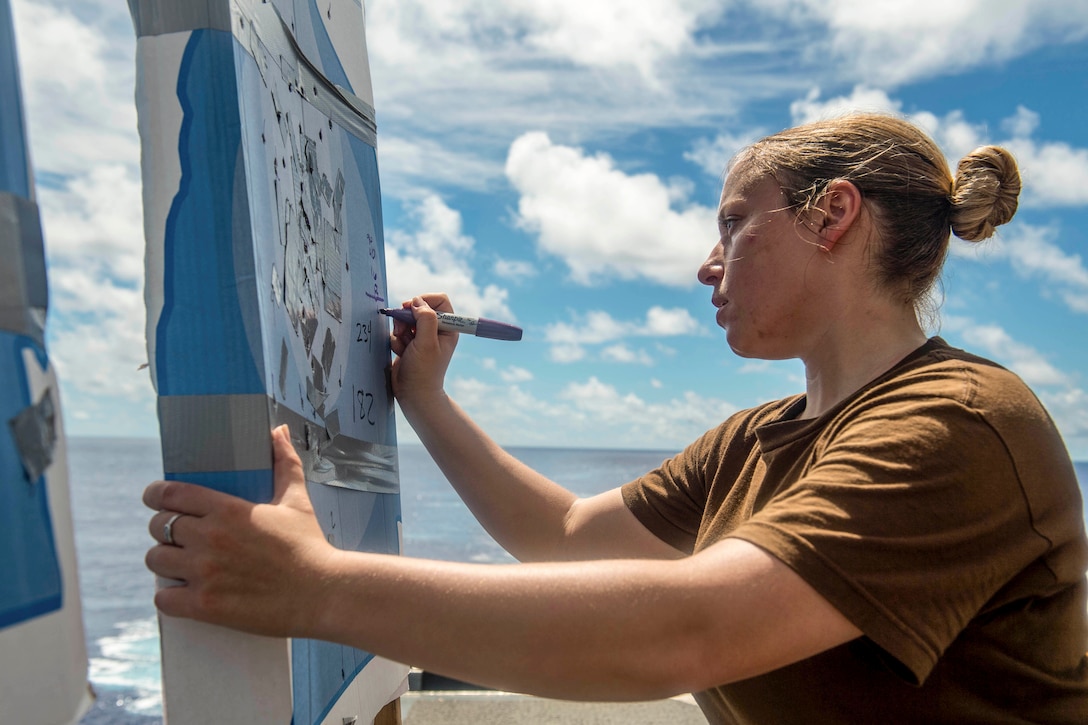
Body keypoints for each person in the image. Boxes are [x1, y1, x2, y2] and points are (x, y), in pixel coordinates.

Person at [144, 113, 1088, 723]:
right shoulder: (757, 438)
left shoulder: (960, 426)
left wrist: (316, 587)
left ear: (832, 215)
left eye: (731, 223)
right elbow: (561, 536)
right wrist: (425, 399)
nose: (707, 263)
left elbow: (689, 631)